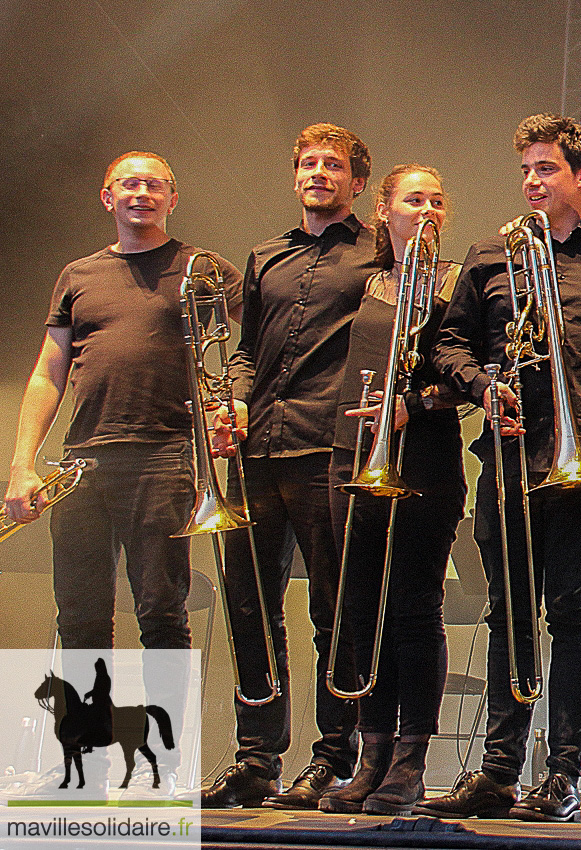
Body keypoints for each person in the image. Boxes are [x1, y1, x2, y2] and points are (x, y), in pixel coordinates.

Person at [416, 114, 581, 823]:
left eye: (546, 169)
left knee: (574, 613)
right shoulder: (490, 257)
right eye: (525, 170)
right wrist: (484, 383)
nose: (532, 182)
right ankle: (499, 769)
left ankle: (564, 774)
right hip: (509, 457)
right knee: (508, 614)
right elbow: (447, 343)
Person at [202, 123, 382, 809]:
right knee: (250, 606)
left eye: (332, 164)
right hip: (258, 448)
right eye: (307, 162)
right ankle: (256, 757)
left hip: (326, 447)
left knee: (333, 611)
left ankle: (333, 757)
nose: (317, 172)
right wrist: (238, 401)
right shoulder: (264, 256)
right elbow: (246, 351)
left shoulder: (376, 254)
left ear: (357, 182)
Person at [5, 151, 238, 653]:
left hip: (163, 457)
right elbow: (48, 374)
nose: (142, 194)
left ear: (172, 199)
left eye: (155, 186)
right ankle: (86, 735)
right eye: (130, 184)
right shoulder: (78, 275)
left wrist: (237, 399)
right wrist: (23, 465)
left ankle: (163, 736)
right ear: (108, 198)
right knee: (80, 619)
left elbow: (270, 332)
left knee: (162, 616)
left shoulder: (200, 267)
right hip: (83, 462)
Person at [314, 164, 466, 815]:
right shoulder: (364, 282)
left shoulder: (459, 282)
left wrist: (416, 403)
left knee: (412, 607)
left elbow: (473, 378)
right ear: (383, 210)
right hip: (353, 458)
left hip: (425, 460)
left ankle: (410, 760)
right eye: (413, 199)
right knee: (358, 612)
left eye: (437, 199)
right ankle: (370, 753)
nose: (426, 209)